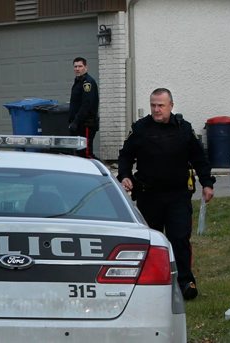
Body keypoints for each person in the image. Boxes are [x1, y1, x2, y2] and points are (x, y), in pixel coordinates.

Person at [117, 88, 215, 300]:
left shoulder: (183, 129)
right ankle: (148, 284)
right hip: (148, 196)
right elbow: (125, 156)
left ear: (171, 105)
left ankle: (185, 282)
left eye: (161, 105)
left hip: (178, 195)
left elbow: (200, 158)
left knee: (179, 238)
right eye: (153, 105)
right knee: (150, 241)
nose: (156, 109)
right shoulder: (140, 129)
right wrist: (124, 175)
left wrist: (207, 183)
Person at [68, 57, 99, 158]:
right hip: (78, 125)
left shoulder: (87, 83)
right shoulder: (78, 82)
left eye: (80, 66)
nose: (77, 69)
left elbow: (87, 105)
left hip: (85, 124)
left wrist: (76, 121)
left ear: (86, 67)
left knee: (86, 154)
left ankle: (97, 172)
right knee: (79, 153)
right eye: (75, 66)